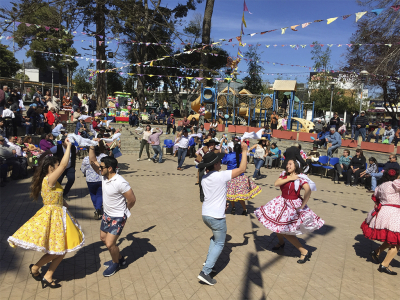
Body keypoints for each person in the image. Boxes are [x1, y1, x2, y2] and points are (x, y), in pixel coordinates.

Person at [7, 139, 84, 288]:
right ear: (50, 168)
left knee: (61, 250)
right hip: (52, 216)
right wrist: (68, 146)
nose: (58, 168)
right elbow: (64, 165)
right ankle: (35, 268)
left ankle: (47, 275)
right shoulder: (49, 179)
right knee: (58, 249)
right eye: (55, 166)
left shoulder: (53, 181)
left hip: (59, 214)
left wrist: (68, 209)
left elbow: (59, 199)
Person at [197, 142, 248, 285]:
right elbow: (242, 168)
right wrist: (244, 151)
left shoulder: (205, 178)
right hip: (216, 217)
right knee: (220, 243)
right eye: (219, 161)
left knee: (215, 239)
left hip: (206, 215)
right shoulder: (220, 176)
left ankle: (208, 264)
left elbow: (214, 194)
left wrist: (222, 203)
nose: (221, 163)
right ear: (215, 165)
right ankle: (205, 272)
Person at [255, 160, 323, 261]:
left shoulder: (300, 177)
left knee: (285, 230)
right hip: (281, 202)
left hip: (293, 205)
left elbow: (308, 190)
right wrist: (290, 178)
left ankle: (304, 251)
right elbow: (276, 183)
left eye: (290, 164)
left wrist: (303, 205)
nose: (287, 166)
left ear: (295, 166)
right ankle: (281, 242)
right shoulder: (284, 175)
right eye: (287, 164)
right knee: (277, 225)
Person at [88, 147, 137, 277]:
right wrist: (92, 146)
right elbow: (93, 160)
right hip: (107, 215)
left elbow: (132, 199)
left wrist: (125, 212)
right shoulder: (104, 176)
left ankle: (115, 264)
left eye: (102, 167)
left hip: (118, 217)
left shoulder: (121, 182)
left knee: (110, 244)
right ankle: (120, 259)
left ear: (110, 168)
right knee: (103, 239)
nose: (99, 169)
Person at [361, 169, 400, 275]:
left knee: (391, 237)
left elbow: (375, 198)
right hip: (394, 214)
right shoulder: (396, 184)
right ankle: (384, 265)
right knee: (397, 242)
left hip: (383, 212)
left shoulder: (381, 186)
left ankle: (376, 252)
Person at [225, 143, 261, 215]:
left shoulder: (229, 156)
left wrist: (226, 154)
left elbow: (224, 161)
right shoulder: (242, 156)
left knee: (231, 193)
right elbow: (245, 164)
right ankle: (245, 209)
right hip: (241, 177)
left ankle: (233, 207)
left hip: (231, 176)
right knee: (240, 195)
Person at [81, 143, 107, 219]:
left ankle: (97, 209)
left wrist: (85, 173)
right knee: (99, 194)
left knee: (93, 195)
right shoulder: (104, 157)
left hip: (90, 180)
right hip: (101, 179)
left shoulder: (86, 159)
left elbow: (83, 169)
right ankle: (98, 208)